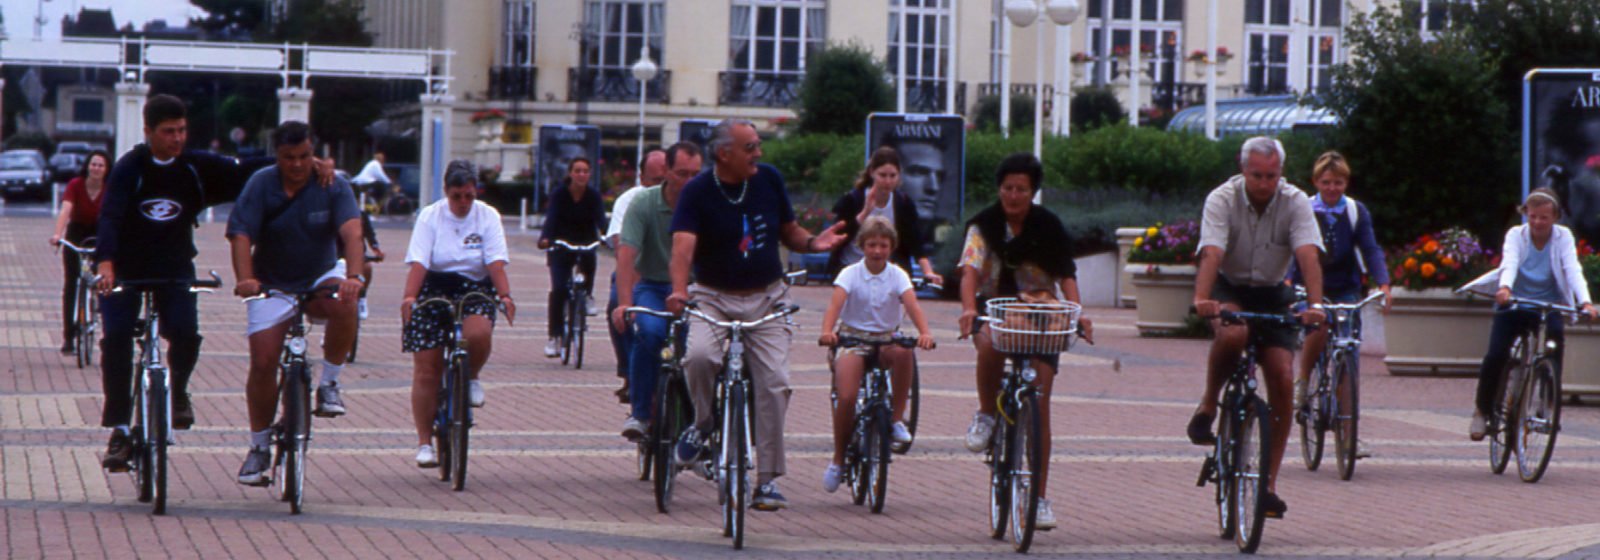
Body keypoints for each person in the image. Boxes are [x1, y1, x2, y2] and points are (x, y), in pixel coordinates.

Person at [94, 94, 331, 471]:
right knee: (118, 338)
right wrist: (105, 264)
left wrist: (301, 162)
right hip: (125, 270)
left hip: (174, 268)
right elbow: (108, 217)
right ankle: (121, 429)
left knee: (186, 333)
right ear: (148, 132)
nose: (177, 139)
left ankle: (180, 393)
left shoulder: (193, 167)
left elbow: (242, 170)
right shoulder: (130, 168)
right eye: (168, 132)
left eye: (182, 131)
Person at [667, 118, 847, 510]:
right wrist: (680, 290)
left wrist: (817, 243)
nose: (758, 153)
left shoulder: (768, 179)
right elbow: (682, 247)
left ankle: (766, 480)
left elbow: (790, 232)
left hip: (767, 297)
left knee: (775, 381)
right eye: (750, 147)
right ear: (724, 153)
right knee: (698, 356)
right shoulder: (698, 191)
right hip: (712, 297)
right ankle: (702, 424)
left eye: (758, 145)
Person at [1187, 136, 1325, 519]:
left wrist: (1315, 306)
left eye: (1271, 175)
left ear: (1281, 173)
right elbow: (1212, 251)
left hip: (1271, 290)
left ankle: (1267, 483)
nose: (1264, 184)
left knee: (1281, 376)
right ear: (1243, 169)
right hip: (1229, 286)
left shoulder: (1295, 201)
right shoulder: (1222, 198)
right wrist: (1203, 299)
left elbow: (1307, 254)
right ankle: (1210, 401)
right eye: (1256, 175)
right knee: (1234, 333)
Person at [955, 153, 1093, 530]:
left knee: (1040, 403)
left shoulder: (1049, 226)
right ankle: (986, 413)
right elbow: (969, 271)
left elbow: (1066, 275)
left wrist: (1078, 311)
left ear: (1033, 192)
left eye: (1022, 189)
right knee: (990, 345)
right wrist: (969, 308)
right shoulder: (983, 225)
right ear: (999, 189)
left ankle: (1040, 497)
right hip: (997, 309)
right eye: (1007, 188)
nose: (1013, 196)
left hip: (1041, 316)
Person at [226, 121, 365, 486]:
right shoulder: (261, 184)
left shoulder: (331, 182)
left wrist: (354, 276)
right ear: (278, 157)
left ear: (313, 153)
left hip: (318, 275)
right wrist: (245, 278)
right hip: (272, 282)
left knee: (346, 303)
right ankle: (258, 447)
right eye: (289, 158)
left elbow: (352, 231)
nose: (298, 164)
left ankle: (330, 383)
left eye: (305, 156)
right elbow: (240, 234)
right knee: (263, 361)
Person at [401, 160, 515, 467]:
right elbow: (420, 261)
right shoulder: (430, 216)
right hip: (434, 284)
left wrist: (504, 294)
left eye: (469, 195)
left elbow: (495, 261)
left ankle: (472, 376)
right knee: (427, 368)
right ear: (446, 193)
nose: (463, 203)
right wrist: (410, 296)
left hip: (474, 284)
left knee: (478, 333)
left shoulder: (488, 216)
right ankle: (424, 441)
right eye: (457, 196)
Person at [1462, 188, 1597, 440]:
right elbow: (1510, 261)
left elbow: (1572, 269)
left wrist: (1586, 302)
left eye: (1543, 217)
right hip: (1514, 301)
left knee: (1554, 343)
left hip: (1547, 305)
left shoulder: (1563, 237)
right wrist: (1505, 287)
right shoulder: (1516, 235)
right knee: (1496, 354)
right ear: (1526, 214)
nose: (1537, 222)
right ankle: (1482, 409)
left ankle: (1547, 402)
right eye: (1532, 216)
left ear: (1555, 217)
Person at [817, 216, 935, 491]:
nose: (877, 251)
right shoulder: (849, 274)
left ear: (891, 247)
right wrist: (827, 331)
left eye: (883, 245)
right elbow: (835, 305)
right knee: (846, 396)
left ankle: (895, 419)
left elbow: (913, 305)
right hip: (852, 338)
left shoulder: (898, 275)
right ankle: (838, 459)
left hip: (886, 338)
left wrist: (925, 332)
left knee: (905, 354)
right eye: (871, 245)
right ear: (862, 246)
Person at [1289, 151, 1389, 458]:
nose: (1333, 188)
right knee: (1317, 328)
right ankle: (1304, 381)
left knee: (1349, 359)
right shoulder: (1304, 209)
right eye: (1327, 182)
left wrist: (1382, 282)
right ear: (1316, 182)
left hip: (1346, 287)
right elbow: (1293, 248)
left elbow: (1370, 248)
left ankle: (1349, 433)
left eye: (1339, 182)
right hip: (1311, 285)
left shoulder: (1355, 211)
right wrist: (1288, 282)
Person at [612, 143, 702, 439]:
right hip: (652, 284)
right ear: (666, 172)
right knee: (648, 333)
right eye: (682, 174)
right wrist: (624, 304)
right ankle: (639, 413)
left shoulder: (707, 203)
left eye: (696, 174)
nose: (690, 182)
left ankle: (698, 425)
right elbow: (626, 255)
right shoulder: (645, 203)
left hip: (696, 289)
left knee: (701, 350)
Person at [825, 146, 944, 287]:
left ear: (899, 175)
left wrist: (928, 271)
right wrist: (864, 213)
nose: (888, 182)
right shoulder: (853, 199)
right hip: (851, 268)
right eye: (882, 175)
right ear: (871, 173)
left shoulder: (903, 203)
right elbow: (839, 235)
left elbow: (915, 241)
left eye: (892, 176)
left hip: (888, 271)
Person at [607, 149, 667, 403]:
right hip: (638, 272)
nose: (663, 187)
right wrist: (626, 301)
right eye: (655, 181)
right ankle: (630, 373)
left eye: (668, 178)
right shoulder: (630, 201)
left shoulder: (687, 199)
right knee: (618, 307)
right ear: (642, 179)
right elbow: (625, 252)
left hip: (677, 279)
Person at [539, 157, 604, 358]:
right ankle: (554, 337)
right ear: (570, 173)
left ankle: (588, 296)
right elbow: (551, 218)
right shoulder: (559, 194)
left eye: (585, 171)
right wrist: (546, 238)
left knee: (590, 260)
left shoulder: (593, 196)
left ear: (590, 174)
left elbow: (601, 219)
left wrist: (608, 235)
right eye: (577, 171)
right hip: (561, 243)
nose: (581, 175)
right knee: (559, 288)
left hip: (585, 241)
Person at [50, 150, 110, 355]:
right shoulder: (76, 185)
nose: (96, 169)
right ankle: (69, 336)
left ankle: (100, 312)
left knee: (103, 278)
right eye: (93, 164)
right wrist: (58, 235)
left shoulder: (109, 189)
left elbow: (117, 215)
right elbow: (66, 210)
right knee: (72, 283)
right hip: (76, 233)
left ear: (106, 169)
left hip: (100, 234)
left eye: (101, 165)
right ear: (87, 166)